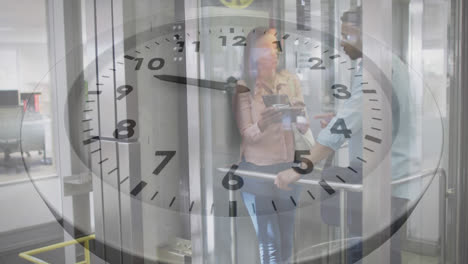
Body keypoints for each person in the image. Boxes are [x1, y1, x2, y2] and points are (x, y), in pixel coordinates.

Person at [274, 6, 420, 264]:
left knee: (367, 252)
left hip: (380, 183)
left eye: (349, 36)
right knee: (384, 251)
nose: (342, 43)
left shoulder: (374, 69)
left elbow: (344, 124)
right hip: (395, 178)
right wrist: (351, 122)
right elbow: (378, 116)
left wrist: (300, 168)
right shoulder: (393, 63)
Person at [233, 27, 312, 264]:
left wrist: (299, 118)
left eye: (276, 46)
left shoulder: (290, 79)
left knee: (287, 236)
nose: (275, 52)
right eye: (268, 47)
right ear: (254, 53)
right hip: (258, 172)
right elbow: (247, 133)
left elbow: (302, 124)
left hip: (288, 168)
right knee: (269, 240)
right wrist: (263, 123)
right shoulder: (244, 86)